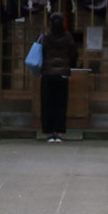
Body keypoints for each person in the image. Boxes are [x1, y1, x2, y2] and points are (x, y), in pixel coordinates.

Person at [37, 13, 80, 142]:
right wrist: (69, 65)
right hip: (62, 74)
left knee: (47, 104)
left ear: (50, 23)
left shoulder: (45, 36)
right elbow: (74, 54)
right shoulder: (67, 37)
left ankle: (49, 132)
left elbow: (40, 52)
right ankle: (60, 132)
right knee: (61, 104)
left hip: (48, 74)